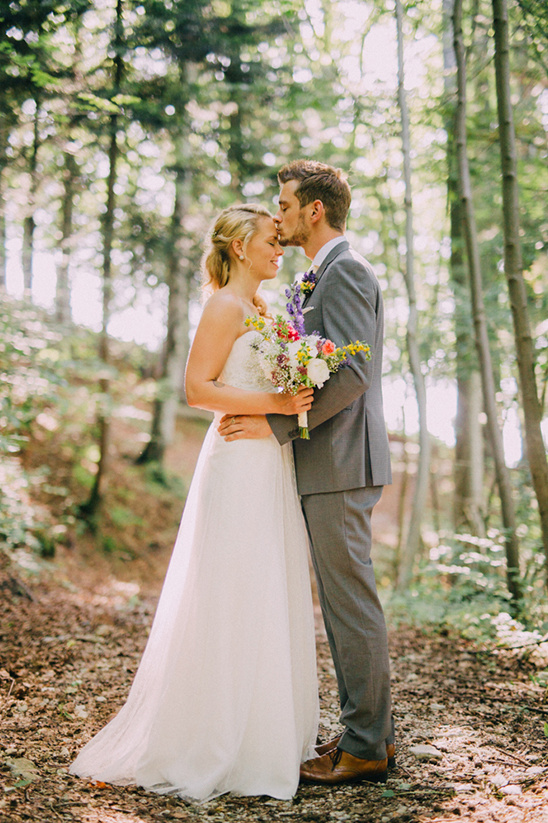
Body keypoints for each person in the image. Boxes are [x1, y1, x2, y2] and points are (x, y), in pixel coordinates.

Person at [70, 204, 320, 802]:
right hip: (235, 463)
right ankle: (211, 737)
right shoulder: (224, 306)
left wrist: (293, 395)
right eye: (269, 241)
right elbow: (197, 389)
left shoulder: (266, 309)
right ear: (239, 247)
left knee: (266, 585)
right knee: (230, 585)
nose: (278, 249)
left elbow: (269, 386)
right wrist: (281, 407)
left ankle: (263, 734)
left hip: (270, 460)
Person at [219, 160, 394, 785]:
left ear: (313, 210)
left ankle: (368, 745)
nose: (280, 214)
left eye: (286, 204)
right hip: (328, 460)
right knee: (343, 602)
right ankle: (362, 736)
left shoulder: (345, 271)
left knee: (351, 605)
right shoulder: (319, 275)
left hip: (341, 460)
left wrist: (277, 426)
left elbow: (350, 374)